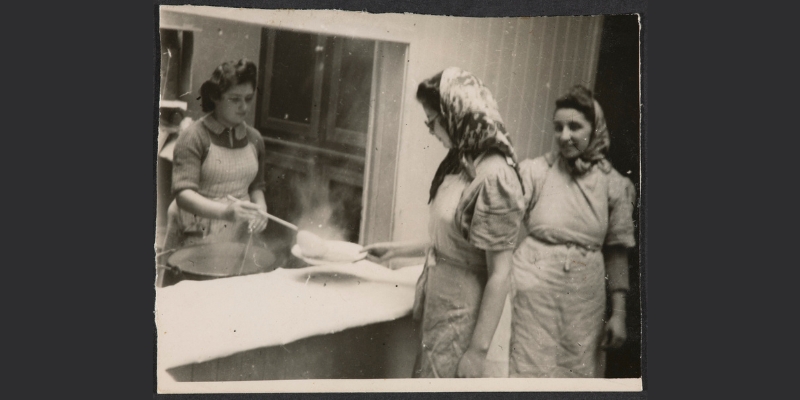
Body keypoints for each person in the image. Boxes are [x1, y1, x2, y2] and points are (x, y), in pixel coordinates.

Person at [365, 67, 525, 378]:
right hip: (443, 303)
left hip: (466, 311)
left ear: (457, 112)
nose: (430, 130)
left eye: (432, 122)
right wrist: (394, 250)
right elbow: (456, 239)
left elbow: (500, 274)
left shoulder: (495, 177)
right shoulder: (460, 163)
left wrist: (477, 352)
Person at [509, 85, 636, 378]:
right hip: (532, 290)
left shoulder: (613, 185)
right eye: (558, 127)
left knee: (575, 367)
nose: (564, 136)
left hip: (584, 296)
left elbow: (617, 252)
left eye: (575, 126)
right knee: (527, 367)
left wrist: (618, 314)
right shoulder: (536, 172)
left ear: (595, 129)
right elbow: (501, 223)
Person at [160, 59, 269, 256]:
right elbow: (184, 195)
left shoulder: (255, 139)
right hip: (195, 229)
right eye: (235, 99)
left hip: (237, 230)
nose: (243, 107)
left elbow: (256, 187)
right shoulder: (194, 136)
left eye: (248, 98)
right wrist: (226, 212)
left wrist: (261, 209)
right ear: (215, 97)